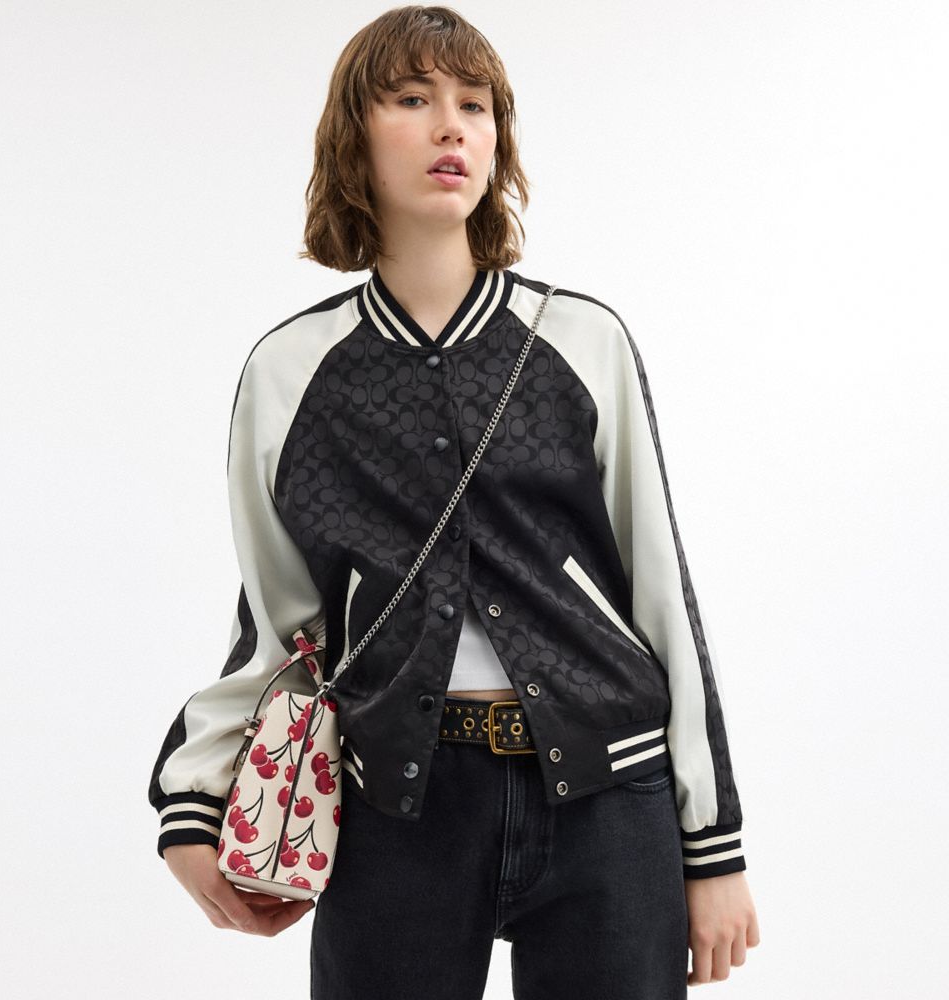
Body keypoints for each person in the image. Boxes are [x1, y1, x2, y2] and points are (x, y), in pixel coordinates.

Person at [148, 5, 760, 997]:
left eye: (475, 105)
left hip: (610, 795)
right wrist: (191, 801)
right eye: (412, 99)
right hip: (396, 799)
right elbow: (276, 620)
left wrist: (713, 846)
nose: (451, 126)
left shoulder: (581, 340)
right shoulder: (290, 372)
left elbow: (662, 597)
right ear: (353, 135)